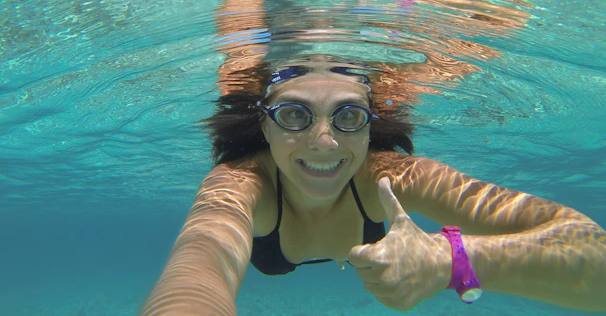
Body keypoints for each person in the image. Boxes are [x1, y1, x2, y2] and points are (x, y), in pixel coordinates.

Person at [140, 57, 606, 315]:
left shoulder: (394, 174)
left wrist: (449, 261)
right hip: (274, 257)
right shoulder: (240, 183)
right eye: (294, 115)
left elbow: (593, 256)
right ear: (264, 128)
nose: (323, 141)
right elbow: (197, 269)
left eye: (348, 116)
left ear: (368, 128)